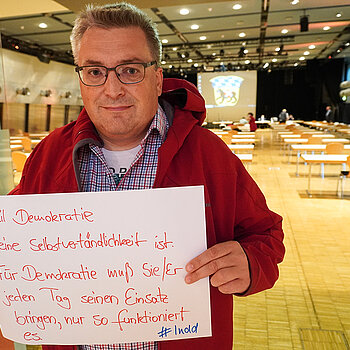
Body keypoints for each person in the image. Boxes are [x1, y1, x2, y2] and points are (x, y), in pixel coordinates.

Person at [9, 3, 285, 349]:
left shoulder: (209, 154)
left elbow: (266, 234)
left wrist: (249, 262)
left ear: (157, 79)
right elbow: (16, 239)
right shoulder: (49, 154)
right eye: (95, 71)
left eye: (130, 69)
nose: (112, 89)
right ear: (81, 79)